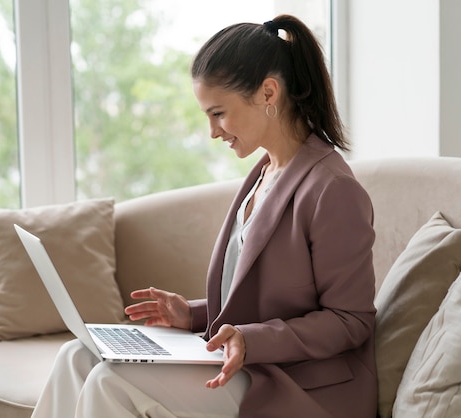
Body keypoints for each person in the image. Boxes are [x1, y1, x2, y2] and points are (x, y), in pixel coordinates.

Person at [31, 14, 377, 418]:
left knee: (112, 381)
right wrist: (192, 314)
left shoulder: (332, 189)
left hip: (302, 386)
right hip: (249, 364)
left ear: (268, 93)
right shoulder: (264, 172)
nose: (213, 131)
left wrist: (251, 341)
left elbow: (351, 320)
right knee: (76, 356)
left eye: (219, 113)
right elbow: (261, 299)